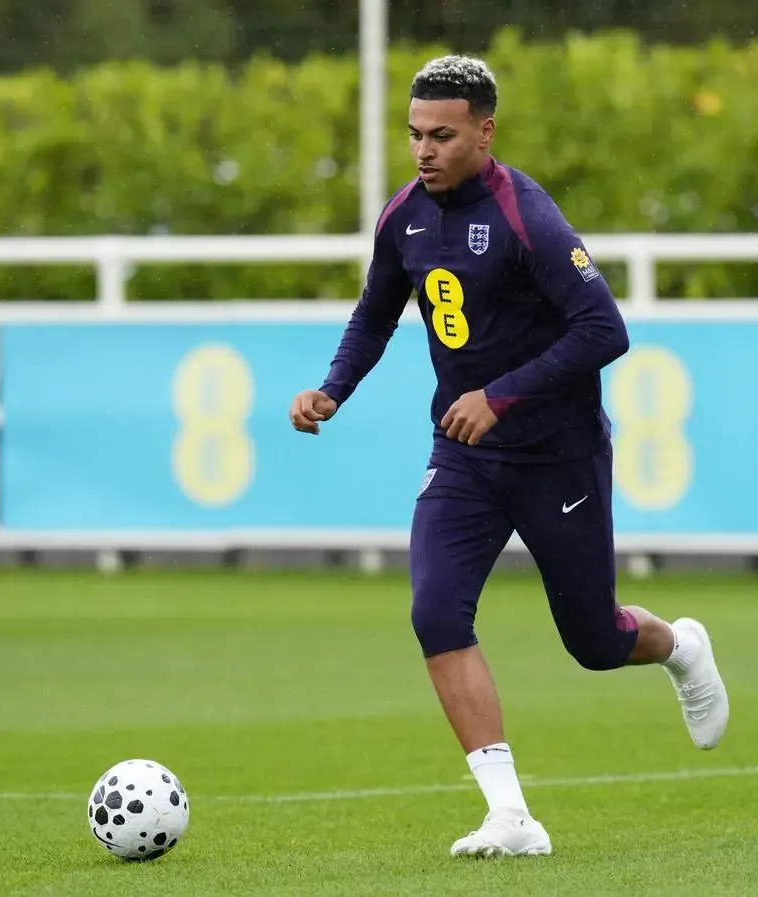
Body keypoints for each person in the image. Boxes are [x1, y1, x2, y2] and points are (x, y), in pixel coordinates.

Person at [289, 54, 729, 858]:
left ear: (485, 132)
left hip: (556, 457)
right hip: (463, 459)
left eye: (443, 135)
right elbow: (375, 314)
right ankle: (510, 815)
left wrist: (499, 395)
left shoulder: (528, 216)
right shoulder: (403, 216)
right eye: (415, 134)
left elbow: (606, 331)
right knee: (435, 610)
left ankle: (682, 647)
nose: (424, 150)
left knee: (595, 642)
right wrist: (332, 389)